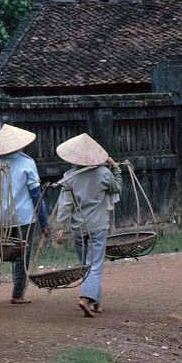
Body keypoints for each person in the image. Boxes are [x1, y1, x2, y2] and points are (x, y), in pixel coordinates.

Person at [53, 133, 122, 318]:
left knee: (85, 264)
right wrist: (116, 168)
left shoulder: (70, 176)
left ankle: (96, 303)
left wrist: (60, 226)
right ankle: (85, 299)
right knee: (95, 265)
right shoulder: (103, 173)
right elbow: (117, 187)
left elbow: (65, 204)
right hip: (98, 226)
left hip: (78, 227)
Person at [0, 124, 48, 305]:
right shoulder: (27, 163)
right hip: (24, 216)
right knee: (22, 254)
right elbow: (36, 193)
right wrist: (44, 221)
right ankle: (18, 293)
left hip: (1, 217)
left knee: (2, 250)